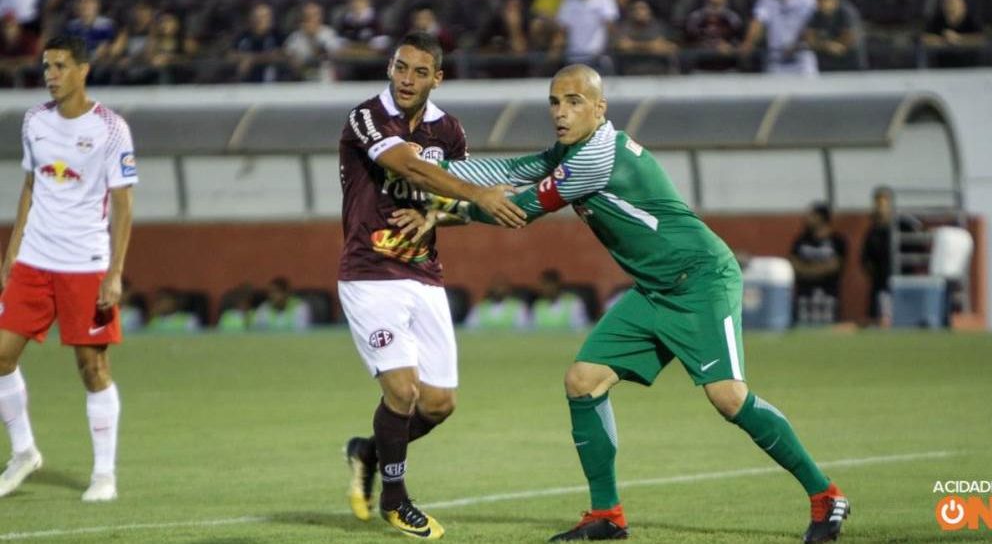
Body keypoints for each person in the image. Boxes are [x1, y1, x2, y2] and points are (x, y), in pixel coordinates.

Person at [422, 64, 849, 542]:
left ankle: (826, 496)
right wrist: (418, 169)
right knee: (584, 381)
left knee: (728, 397)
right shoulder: (568, 152)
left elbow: (516, 208)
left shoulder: (596, 158)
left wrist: (446, 209)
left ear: (600, 108)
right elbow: (503, 171)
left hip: (701, 281)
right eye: (555, 102)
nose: (561, 112)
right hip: (655, 289)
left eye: (574, 102)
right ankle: (607, 516)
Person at [338, 31, 525, 540]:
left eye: (420, 72)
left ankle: (367, 453)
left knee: (438, 403)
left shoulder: (451, 131)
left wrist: (440, 219)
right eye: (400, 67)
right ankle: (397, 501)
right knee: (401, 390)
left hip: (424, 276)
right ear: (390, 68)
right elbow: (410, 168)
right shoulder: (367, 117)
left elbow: (456, 209)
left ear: (437, 78)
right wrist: (477, 193)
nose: (406, 79)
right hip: (369, 273)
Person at [0, 35, 137, 502]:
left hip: (85, 262)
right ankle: (24, 453)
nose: (50, 75)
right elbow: (30, 186)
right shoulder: (34, 120)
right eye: (46, 67)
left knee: (92, 366)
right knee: (0, 355)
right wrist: (11, 252)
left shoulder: (111, 128)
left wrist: (115, 272)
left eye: (59, 66)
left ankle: (104, 473)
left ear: (83, 70)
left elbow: (123, 206)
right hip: (35, 260)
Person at [739, 0, 819, 75]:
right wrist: (749, 42)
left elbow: (812, 25)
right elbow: (758, 22)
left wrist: (797, 44)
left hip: (801, 61)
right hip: (776, 62)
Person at [860, 186, 922, 327]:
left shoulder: (904, 226)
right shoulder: (873, 231)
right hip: (881, 286)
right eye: (877, 203)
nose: (879, 207)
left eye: (883, 203)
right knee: (880, 320)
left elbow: (917, 248)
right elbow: (865, 259)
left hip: (904, 284)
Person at [789, 202, 848, 325]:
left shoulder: (837, 240)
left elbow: (835, 265)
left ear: (821, 217)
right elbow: (793, 264)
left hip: (829, 297)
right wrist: (820, 269)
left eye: (812, 215)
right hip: (804, 297)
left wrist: (807, 270)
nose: (807, 218)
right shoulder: (801, 240)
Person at [684, 0, 744, 71]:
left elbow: (742, 45)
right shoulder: (695, 18)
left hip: (727, 69)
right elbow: (687, 44)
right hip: (701, 69)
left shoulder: (734, 19)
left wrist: (731, 48)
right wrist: (707, 46)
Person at [803, 0, 864, 71]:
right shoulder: (817, 14)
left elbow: (846, 42)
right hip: (827, 67)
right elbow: (809, 38)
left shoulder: (846, 11)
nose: (819, 3)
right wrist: (826, 45)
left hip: (850, 66)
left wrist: (822, 44)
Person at [921, 0, 986, 68]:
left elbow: (981, 39)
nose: (951, 5)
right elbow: (924, 38)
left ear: (963, 5)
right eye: (948, 1)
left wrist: (958, 39)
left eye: (955, 1)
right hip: (941, 69)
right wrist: (944, 40)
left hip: (970, 69)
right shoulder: (936, 20)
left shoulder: (971, 20)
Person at [464, 273, 530, 330]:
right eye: (496, 285)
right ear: (491, 288)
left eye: (501, 285)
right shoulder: (479, 309)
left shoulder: (518, 307)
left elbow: (523, 332)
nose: (498, 289)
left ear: (508, 288)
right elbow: (470, 330)